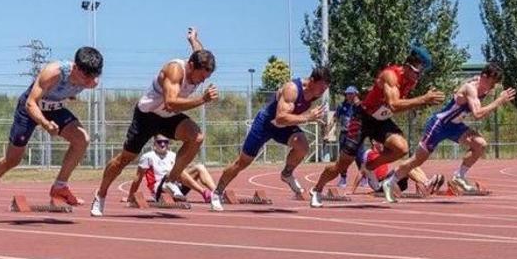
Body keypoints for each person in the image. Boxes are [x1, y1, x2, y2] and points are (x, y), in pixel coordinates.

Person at [90, 27, 218, 216]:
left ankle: (170, 181)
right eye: (200, 76)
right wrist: (202, 100)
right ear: (190, 66)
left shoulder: (197, 62)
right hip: (147, 116)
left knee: (197, 137)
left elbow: (198, 51)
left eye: (206, 78)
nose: (201, 81)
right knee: (124, 160)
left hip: (168, 118)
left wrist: (193, 40)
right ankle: (100, 195)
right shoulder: (175, 70)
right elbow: (171, 103)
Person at [308, 46, 444, 208]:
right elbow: (393, 104)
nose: (419, 76)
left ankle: (371, 166)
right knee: (342, 165)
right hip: (362, 119)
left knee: (401, 148)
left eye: (421, 72)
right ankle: (317, 189)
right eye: (417, 72)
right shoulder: (391, 76)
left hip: (380, 120)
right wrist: (423, 99)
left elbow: (392, 106)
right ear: (407, 66)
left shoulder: (411, 81)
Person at [0, 47, 103, 215]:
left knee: (82, 139)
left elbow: (72, 89)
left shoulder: (91, 82)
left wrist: (69, 94)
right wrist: (45, 124)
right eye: (86, 77)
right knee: (12, 160)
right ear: (75, 68)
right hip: (29, 108)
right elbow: (30, 103)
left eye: (94, 77)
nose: (90, 82)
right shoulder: (53, 72)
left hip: (55, 109)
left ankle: (60, 186)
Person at [383, 62, 515, 202]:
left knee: (480, 144)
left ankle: (459, 176)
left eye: (496, 83)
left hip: (455, 126)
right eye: (492, 82)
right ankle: (390, 182)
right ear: (484, 76)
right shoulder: (471, 88)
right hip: (439, 125)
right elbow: (477, 114)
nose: (493, 86)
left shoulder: (482, 85)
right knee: (417, 160)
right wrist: (499, 101)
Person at [209, 67, 330, 211]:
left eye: (326, 88)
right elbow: (280, 117)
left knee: (303, 146)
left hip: (284, 127)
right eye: (322, 87)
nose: (323, 91)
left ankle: (286, 174)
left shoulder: (315, 94)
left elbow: (288, 118)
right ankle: (217, 192)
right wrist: (307, 118)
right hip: (266, 124)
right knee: (242, 163)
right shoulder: (292, 89)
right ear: (311, 81)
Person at [126, 135, 217, 202]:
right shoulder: (148, 157)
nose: (162, 144)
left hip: (177, 187)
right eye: (159, 142)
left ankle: (217, 193)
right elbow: (137, 178)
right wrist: (130, 196)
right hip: (160, 190)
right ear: (154, 144)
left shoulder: (173, 155)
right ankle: (204, 192)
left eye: (165, 142)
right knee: (175, 172)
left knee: (199, 167)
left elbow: (184, 173)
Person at [350, 140, 443, 197]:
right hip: (381, 184)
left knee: (412, 164)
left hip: (393, 180)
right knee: (406, 167)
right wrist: (352, 191)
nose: (383, 144)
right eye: (380, 142)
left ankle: (428, 182)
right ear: (374, 142)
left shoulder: (384, 153)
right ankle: (426, 184)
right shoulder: (370, 154)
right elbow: (361, 172)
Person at [331, 86, 359, 188]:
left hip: (356, 134)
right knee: (343, 157)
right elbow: (334, 119)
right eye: (347, 94)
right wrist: (329, 131)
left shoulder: (359, 106)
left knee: (359, 155)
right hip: (344, 133)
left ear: (356, 94)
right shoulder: (342, 106)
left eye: (351, 94)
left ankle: (364, 177)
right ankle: (343, 178)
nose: (349, 96)